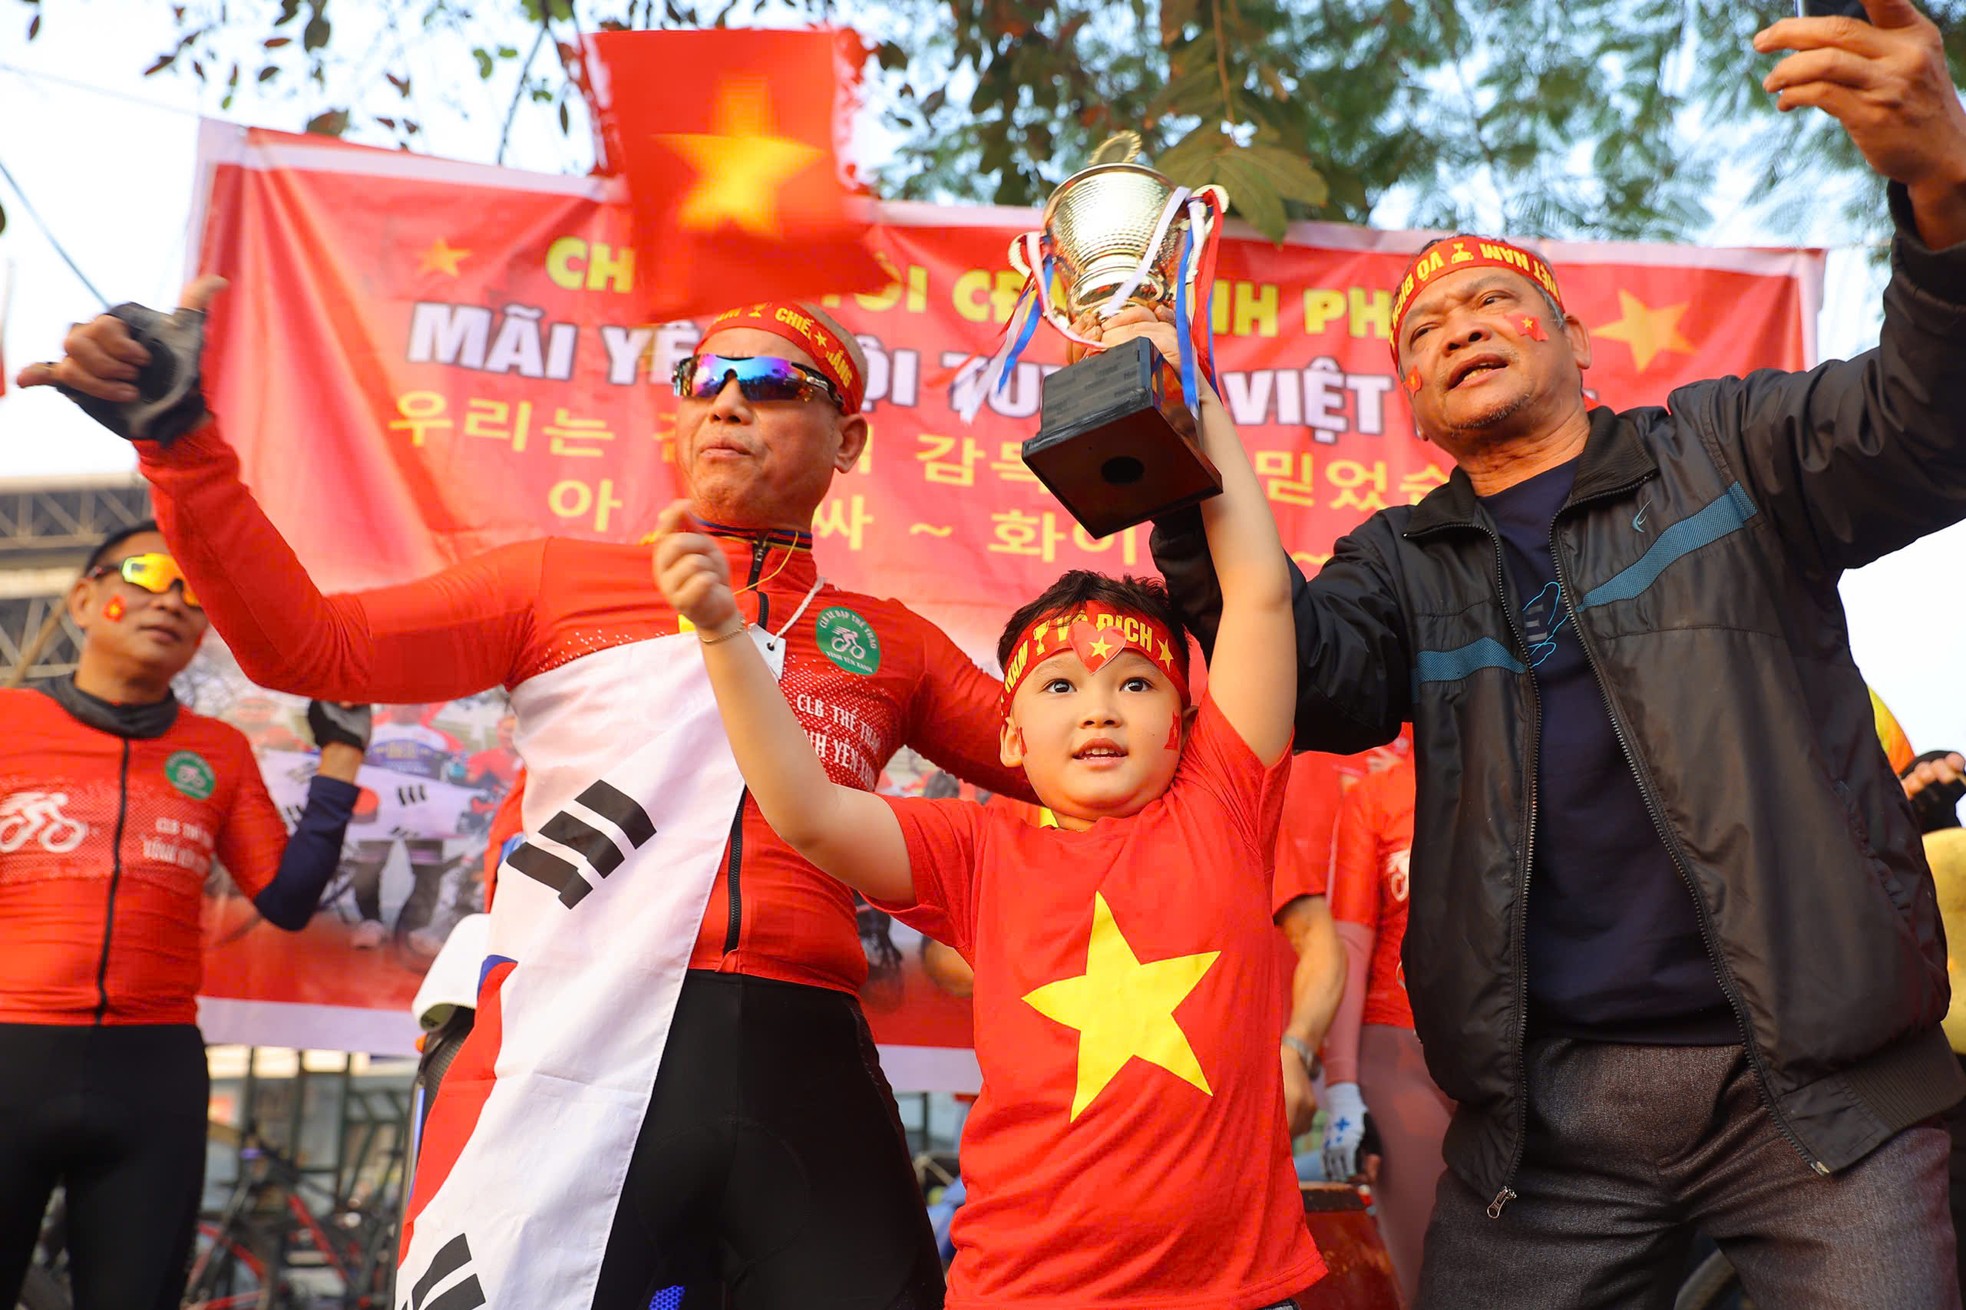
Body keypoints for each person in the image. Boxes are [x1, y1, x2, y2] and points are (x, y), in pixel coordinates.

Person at [1148, 3, 1966, 1304]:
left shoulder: (1728, 450)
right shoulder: (1397, 560)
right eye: (1424, 331)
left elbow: (1929, 425)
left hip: (1818, 1093)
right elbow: (1301, 676)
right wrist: (1170, 461)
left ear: (1576, 343)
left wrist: (1939, 185)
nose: (1459, 325)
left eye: (1494, 300)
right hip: (1542, 1129)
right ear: (1412, 407)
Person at [25, 295, 1031, 1308]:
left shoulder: (890, 641)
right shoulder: (554, 582)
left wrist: (1187, 535)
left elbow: (1075, 763)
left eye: (771, 386)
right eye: (703, 380)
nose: (728, 402)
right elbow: (310, 646)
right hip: (574, 1025)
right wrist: (182, 446)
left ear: (846, 437)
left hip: (805, 1047)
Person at [654, 304, 1325, 1309]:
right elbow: (806, 813)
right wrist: (720, 634)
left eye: (1134, 683)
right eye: (1057, 685)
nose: (1096, 706)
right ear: (1009, 738)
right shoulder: (976, 848)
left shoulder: (1222, 802)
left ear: (1187, 722)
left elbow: (1259, 593)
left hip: (1238, 1291)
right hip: (1021, 1291)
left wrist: (1191, 383)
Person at [0, 523, 368, 1310]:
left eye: (193, 594)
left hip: (152, 1075)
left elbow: (288, 899)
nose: (171, 599)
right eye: (147, 573)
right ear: (83, 597)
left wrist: (341, 758)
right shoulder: (9, 725)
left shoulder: (220, 751)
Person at [1315, 754, 1450, 1304]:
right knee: (1432, 1277)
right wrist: (1343, 1087)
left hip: (1516, 1054)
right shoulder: (1375, 798)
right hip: (1398, 1053)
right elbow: (1348, 942)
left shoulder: (1531, 771)